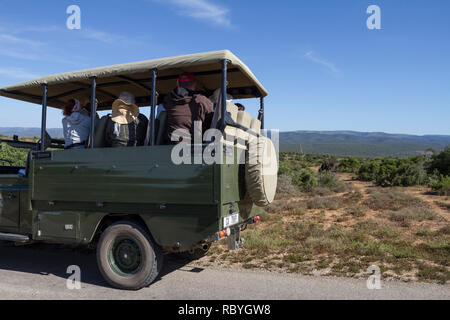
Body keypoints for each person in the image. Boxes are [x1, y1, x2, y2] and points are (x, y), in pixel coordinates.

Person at [164, 73, 213, 144]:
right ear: (194, 84)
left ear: (178, 83)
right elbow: (212, 122)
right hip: (195, 147)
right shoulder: (203, 101)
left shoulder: (168, 100)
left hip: (171, 146)